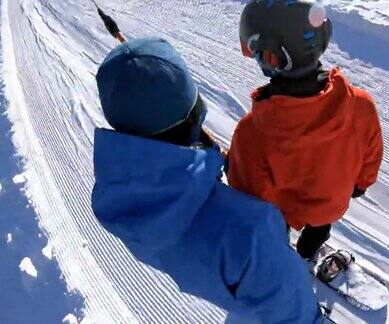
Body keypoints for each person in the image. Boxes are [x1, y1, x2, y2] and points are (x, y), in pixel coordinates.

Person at [91, 37, 323, 323]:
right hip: (259, 294)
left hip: (213, 277)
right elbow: (294, 311)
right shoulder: (252, 230)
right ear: (194, 115)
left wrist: (202, 164)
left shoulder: (115, 199)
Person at [227, 1, 384, 261]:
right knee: (319, 228)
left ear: (272, 57)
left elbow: (252, 201)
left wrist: (231, 165)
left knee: (276, 229)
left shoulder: (253, 134)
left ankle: (282, 257)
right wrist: (360, 185)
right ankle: (307, 253)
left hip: (286, 213)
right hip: (332, 204)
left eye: (257, 52)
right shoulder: (360, 104)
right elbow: (371, 154)